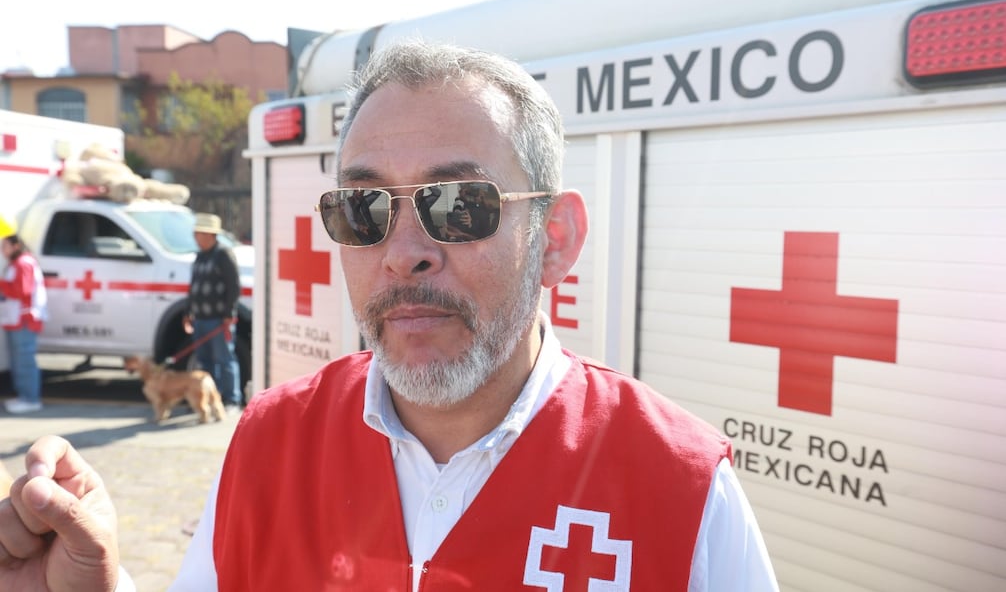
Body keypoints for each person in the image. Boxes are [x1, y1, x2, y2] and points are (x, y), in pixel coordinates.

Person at [0, 41, 779, 591]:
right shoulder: (270, 441)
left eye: (460, 204)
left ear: (555, 239)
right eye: (364, 208)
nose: (403, 253)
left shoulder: (679, 488)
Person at [183, 213, 242, 412]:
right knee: (205, 362)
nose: (195, 237)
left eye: (199, 233)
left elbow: (233, 286)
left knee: (225, 360)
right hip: (200, 319)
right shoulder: (199, 256)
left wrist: (228, 313)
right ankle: (209, 399)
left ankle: (231, 400)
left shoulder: (224, 255)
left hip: (218, 320)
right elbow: (193, 287)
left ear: (210, 235)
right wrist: (187, 312)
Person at [1, 233, 48, 415]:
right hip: (15, 319)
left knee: (24, 360)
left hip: (24, 319)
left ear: (16, 246)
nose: (2, 251)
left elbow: (22, 291)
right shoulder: (15, 263)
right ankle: (23, 395)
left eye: (5, 246)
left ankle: (30, 399)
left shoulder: (23, 263)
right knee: (18, 360)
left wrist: (2, 284)